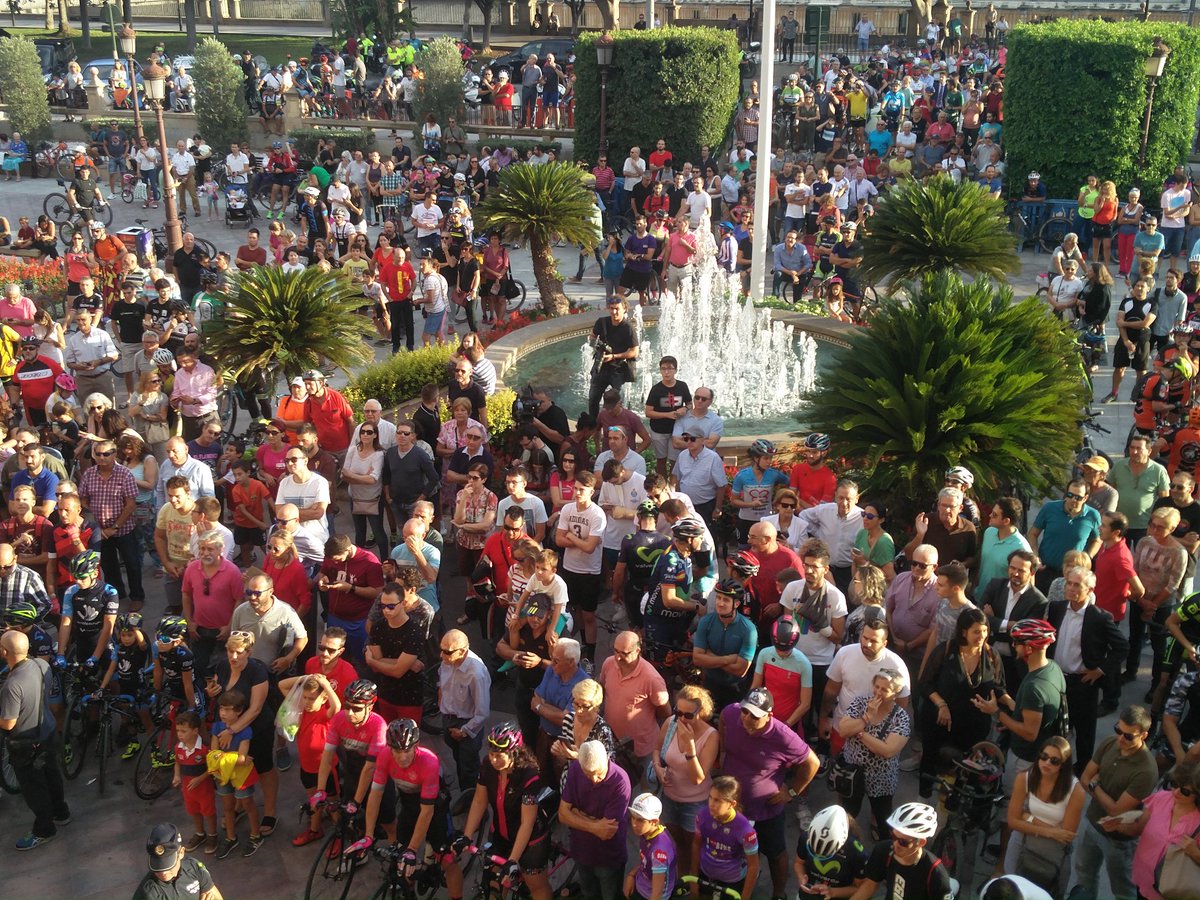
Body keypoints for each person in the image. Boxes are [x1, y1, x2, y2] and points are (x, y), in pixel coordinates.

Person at [721, 687, 820, 897]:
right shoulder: (732, 713)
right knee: (731, 849)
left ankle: (779, 893)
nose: (747, 719)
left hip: (765, 811)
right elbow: (723, 719)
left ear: (769, 716)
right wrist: (722, 751)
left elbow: (812, 762)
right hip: (731, 805)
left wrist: (792, 792)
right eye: (745, 712)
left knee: (775, 855)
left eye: (754, 716)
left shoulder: (783, 736)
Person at [1072, 705, 1159, 900]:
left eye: (1129, 736)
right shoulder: (1110, 743)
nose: (1121, 738)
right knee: (1084, 878)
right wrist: (1094, 785)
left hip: (1119, 841)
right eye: (1118, 730)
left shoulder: (1146, 770)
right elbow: (1085, 777)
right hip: (1092, 824)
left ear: (1144, 735)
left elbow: (1116, 810)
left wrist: (1096, 786)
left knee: (1123, 890)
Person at [919, 607, 1007, 797]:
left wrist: (1006, 706)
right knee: (931, 764)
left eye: (985, 631)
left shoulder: (992, 655)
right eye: (977, 631)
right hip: (941, 723)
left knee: (965, 775)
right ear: (963, 631)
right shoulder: (946, 650)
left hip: (973, 728)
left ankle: (950, 813)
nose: (982, 636)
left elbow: (999, 688)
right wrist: (941, 704)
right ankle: (923, 803)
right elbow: (925, 684)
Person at [462, 723, 555, 900]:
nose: (493, 759)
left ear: (513, 753)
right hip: (501, 833)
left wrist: (512, 860)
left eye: (499, 756)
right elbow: (479, 801)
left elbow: (527, 823)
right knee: (495, 882)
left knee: (536, 885)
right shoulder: (487, 765)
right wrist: (467, 836)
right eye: (491, 754)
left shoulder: (529, 775)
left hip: (531, 839)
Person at [0, 629, 70, 851]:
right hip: (48, 732)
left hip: (26, 742)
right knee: (51, 774)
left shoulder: (11, 686)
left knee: (33, 788)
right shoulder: (42, 665)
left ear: (4, 651)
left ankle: (44, 829)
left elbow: (9, 723)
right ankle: (61, 812)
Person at [834, 668, 912, 840]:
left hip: (882, 778)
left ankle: (884, 853)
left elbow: (887, 750)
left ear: (896, 693)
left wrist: (860, 732)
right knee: (847, 816)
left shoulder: (901, 717)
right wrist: (866, 718)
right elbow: (843, 730)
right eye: (876, 687)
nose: (878, 692)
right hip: (853, 773)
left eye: (884, 689)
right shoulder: (861, 703)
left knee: (884, 819)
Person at [1002, 735, 1084, 895]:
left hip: (1054, 853)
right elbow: (1012, 821)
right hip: (1022, 843)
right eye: (1044, 757)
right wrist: (1051, 831)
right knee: (1012, 891)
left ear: (1063, 765)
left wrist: (1027, 817)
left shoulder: (1076, 791)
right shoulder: (1024, 778)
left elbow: (1066, 835)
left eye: (1054, 761)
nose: (1046, 763)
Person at [560, 739, 632, 900]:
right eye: (588, 774)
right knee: (589, 894)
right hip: (581, 852)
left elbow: (606, 832)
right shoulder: (575, 769)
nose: (594, 779)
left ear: (607, 759)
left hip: (608, 858)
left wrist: (576, 814)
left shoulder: (620, 781)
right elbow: (562, 814)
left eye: (598, 774)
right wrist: (595, 824)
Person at [848, 802, 951, 900]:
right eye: (893, 836)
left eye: (903, 842)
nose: (895, 844)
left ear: (921, 842)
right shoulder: (883, 850)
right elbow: (870, 885)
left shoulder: (936, 873)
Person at [437, 627, 491, 797]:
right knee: (457, 756)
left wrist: (464, 731)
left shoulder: (476, 673)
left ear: (462, 652)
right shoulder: (447, 661)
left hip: (467, 724)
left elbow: (482, 712)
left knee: (469, 765)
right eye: (441, 650)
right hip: (449, 718)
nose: (441, 656)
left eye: (446, 652)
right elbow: (442, 682)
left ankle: (469, 798)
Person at [131, 822, 224, 900]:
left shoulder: (194, 868)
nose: (163, 872)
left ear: (181, 853)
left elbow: (213, 895)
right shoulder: (149, 894)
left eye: (168, 865)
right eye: (158, 866)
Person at [795, 804, 869, 896]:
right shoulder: (805, 838)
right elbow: (799, 863)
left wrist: (832, 892)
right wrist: (801, 878)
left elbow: (862, 888)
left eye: (826, 852)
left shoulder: (856, 852)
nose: (820, 855)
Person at [587, 298, 639, 418]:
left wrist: (614, 356)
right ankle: (594, 427)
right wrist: (596, 344)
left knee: (618, 402)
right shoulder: (602, 322)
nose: (614, 312)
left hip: (618, 370)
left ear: (624, 309)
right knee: (593, 399)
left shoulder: (628, 328)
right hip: (600, 368)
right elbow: (592, 336)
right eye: (612, 308)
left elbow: (634, 352)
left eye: (617, 309)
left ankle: (619, 424)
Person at [625, 792, 678, 900]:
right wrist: (631, 875)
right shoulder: (647, 833)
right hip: (640, 886)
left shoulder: (659, 851)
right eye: (633, 817)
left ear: (654, 822)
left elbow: (657, 894)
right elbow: (644, 861)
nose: (634, 824)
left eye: (640, 820)